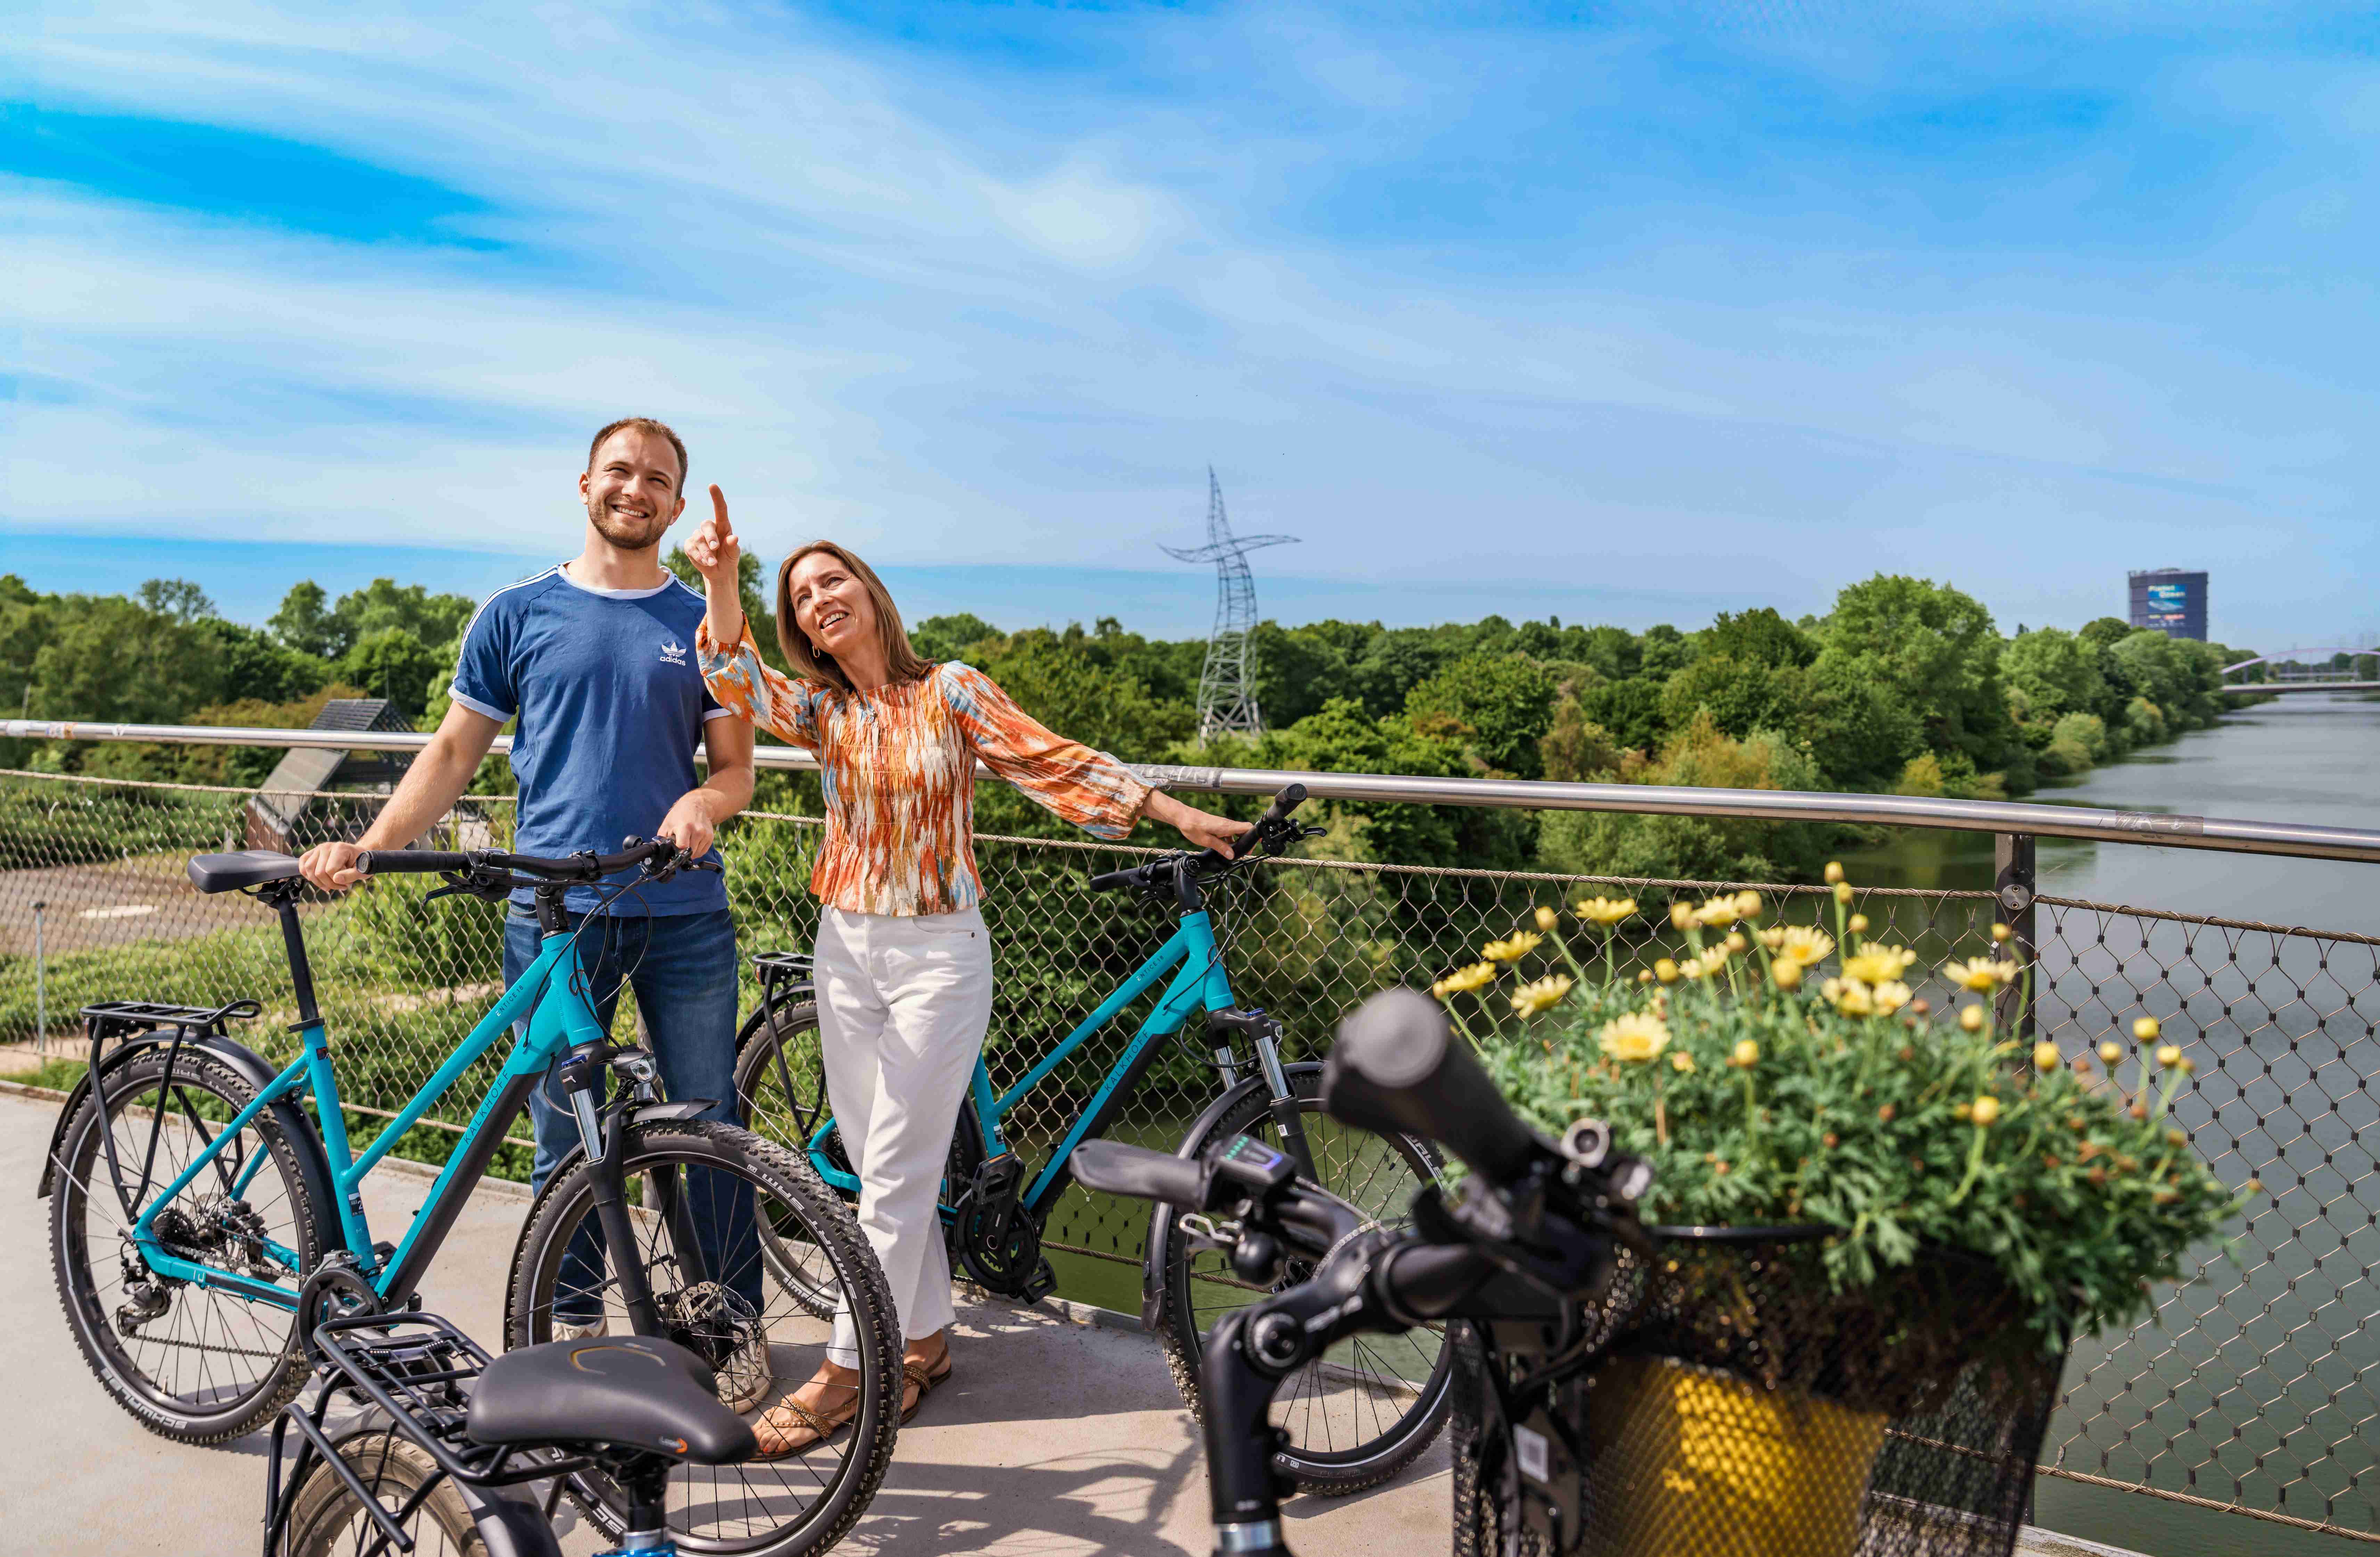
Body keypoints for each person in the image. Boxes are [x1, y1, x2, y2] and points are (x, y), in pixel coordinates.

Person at [685, 488, 1247, 1458]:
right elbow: (733, 679)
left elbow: (1047, 757)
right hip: (845, 946)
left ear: (869, 592)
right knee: (879, 1167)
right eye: (803, 593)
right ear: (801, 626)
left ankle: (848, 1370)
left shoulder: (948, 689)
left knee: (895, 1174)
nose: (820, 597)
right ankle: (929, 1341)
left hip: (938, 952)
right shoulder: (822, 709)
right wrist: (723, 577)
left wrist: (1175, 812)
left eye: (834, 579)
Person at [299, 418, 765, 1390]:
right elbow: (453, 752)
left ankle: (731, 1329)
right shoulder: (516, 612)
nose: (637, 489)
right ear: (586, 483)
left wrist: (699, 802)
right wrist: (376, 846)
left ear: (677, 504)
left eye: (658, 479)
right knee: (565, 1133)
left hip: (683, 910)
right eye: (621, 472)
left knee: (712, 1123)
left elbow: (734, 773)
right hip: (552, 916)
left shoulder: (700, 621)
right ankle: (577, 1332)